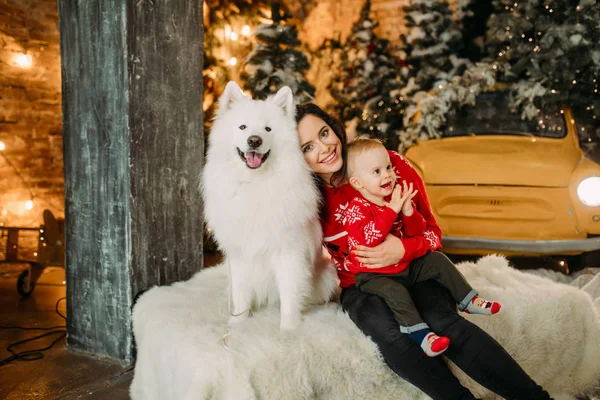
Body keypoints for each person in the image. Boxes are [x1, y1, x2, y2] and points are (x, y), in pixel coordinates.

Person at [295, 103, 552, 400]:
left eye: (324, 133)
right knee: (393, 338)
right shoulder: (307, 197)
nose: (324, 147)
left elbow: (433, 234)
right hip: (363, 284)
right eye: (307, 147)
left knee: (444, 322)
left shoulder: (386, 165)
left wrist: (403, 248)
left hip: (415, 268)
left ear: (334, 127)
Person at [343, 137, 501, 357]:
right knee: (395, 292)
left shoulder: (394, 197)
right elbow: (371, 237)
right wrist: (392, 209)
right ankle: (422, 335)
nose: (387, 174)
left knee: (437, 260)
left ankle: (468, 299)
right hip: (373, 275)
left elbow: (418, 231)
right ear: (358, 183)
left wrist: (408, 211)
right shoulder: (355, 210)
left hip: (404, 265)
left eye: (388, 167)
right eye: (376, 171)